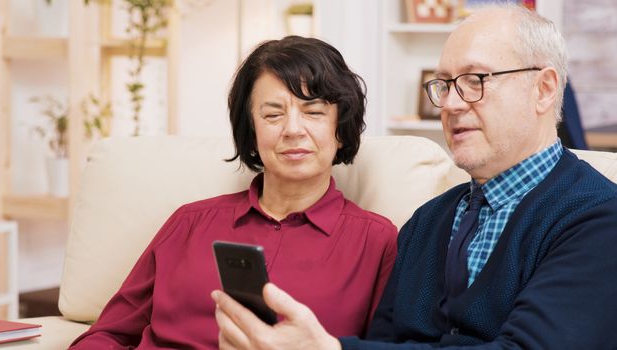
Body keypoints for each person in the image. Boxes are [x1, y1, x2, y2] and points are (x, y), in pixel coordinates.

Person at [213, 4, 617, 350]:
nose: (452, 104)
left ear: (544, 89)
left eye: (475, 81)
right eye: (444, 85)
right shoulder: (428, 220)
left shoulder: (599, 219)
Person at [69, 36, 398, 349]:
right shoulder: (190, 222)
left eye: (313, 112)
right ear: (251, 131)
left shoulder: (377, 241)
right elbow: (108, 334)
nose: (293, 130)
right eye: (272, 115)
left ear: (340, 129)